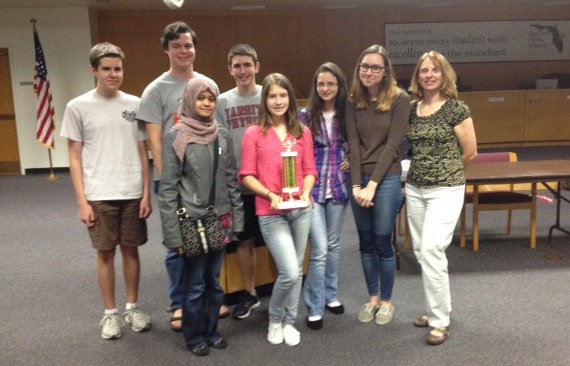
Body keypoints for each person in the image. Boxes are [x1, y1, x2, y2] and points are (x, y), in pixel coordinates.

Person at [61, 42, 152, 339]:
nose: (113, 74)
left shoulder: (136, 104)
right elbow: (74, 157)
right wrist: (82, 201)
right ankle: (110, 313)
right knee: (104, 252)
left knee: (131, 249)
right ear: (94, 71)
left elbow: (143, 152)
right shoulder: (77, 106)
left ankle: (132, 307)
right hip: (99, 193)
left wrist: (146, 193)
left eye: (118, 69)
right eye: (107, 69)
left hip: (132, 189)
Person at [137, 21, 221, 331]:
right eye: (176, 46)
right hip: (173, 183)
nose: (183, 51)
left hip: (207, 183)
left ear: (194, 49)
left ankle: (210, 300)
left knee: (209, 242)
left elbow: (217, 134)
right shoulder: (156, 90)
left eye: (188, 45)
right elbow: (154, 140)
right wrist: (170, 181)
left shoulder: (208, 84)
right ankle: (179, 305)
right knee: (178, 245)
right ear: (166, 50)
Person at [158, 77, 244, 356]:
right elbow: (168, 189)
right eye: (201, 98)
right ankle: (194, 336)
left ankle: (211, 331)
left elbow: (230, 178)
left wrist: (237, 220)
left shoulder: (221, 136)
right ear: (189, 100)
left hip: (220, 219)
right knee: (194, 284)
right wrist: (173, 234)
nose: (206, 104)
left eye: (211, 99)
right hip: (191, 221)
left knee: (214, 281)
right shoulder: (177, 135)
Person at [405, 50, 477, 345]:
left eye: (435, 70)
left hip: (446, 189)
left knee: (433, 249)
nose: (429, 75)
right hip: (415, 188)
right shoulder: (412, 108)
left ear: (444, 74)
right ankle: (437, 307)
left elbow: (470, 152)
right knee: (423, 253)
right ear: (417, 76)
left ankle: (440, 321)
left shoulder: (456, 109)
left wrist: (447, 173)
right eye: (424, 70)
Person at [240, 73, 317, 346]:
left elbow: (309, 170)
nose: (278, 101)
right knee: (290, 272)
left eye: (283, 95)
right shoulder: (254, 133)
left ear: (290, 98)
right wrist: (270, 194)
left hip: (300, 209)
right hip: (271, 212)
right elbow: (247, 175)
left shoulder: (302, 132)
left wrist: (306, 191)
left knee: (296, 269)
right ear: (265, 100)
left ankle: (289, 321)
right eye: (272, 96)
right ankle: (274, 318)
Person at [346, 44, 410, 326]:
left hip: (387, 179)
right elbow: (354, 145)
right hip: (360, 180)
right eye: (364, 66)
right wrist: (357, 185)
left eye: (375, 67)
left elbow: (393, 145)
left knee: (383, 240)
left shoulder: (399, 99)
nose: (368, 72)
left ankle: (386, 300)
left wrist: (372, 185)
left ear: (386, 72)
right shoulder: (352, 100)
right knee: (366, 242)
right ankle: (372, 298)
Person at [299, 62, 350, 330]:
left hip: (339, 187)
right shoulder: (306, 116)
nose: (326, 88)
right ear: (315, 86)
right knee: (318, 249)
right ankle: (314, 306)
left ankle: (331, 295)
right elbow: (297, 152)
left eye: (331, 83)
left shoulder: (348, 113)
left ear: (339, 86)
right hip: (314, 189)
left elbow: (359, 142)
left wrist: (351, 156)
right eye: (321, 84)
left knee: (333, 245)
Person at [214, 44, 262, 319]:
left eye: (247, 65)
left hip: (268, 187)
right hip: (238, 186)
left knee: (277, 241)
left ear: (257, 66)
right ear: (230, 70)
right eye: (237, 66)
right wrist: (223, 168)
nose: (242, 70)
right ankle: (250, 293)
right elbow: (220, 141)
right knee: (244, 241)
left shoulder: (269, 94)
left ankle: (282, 292)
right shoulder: (223, 101)